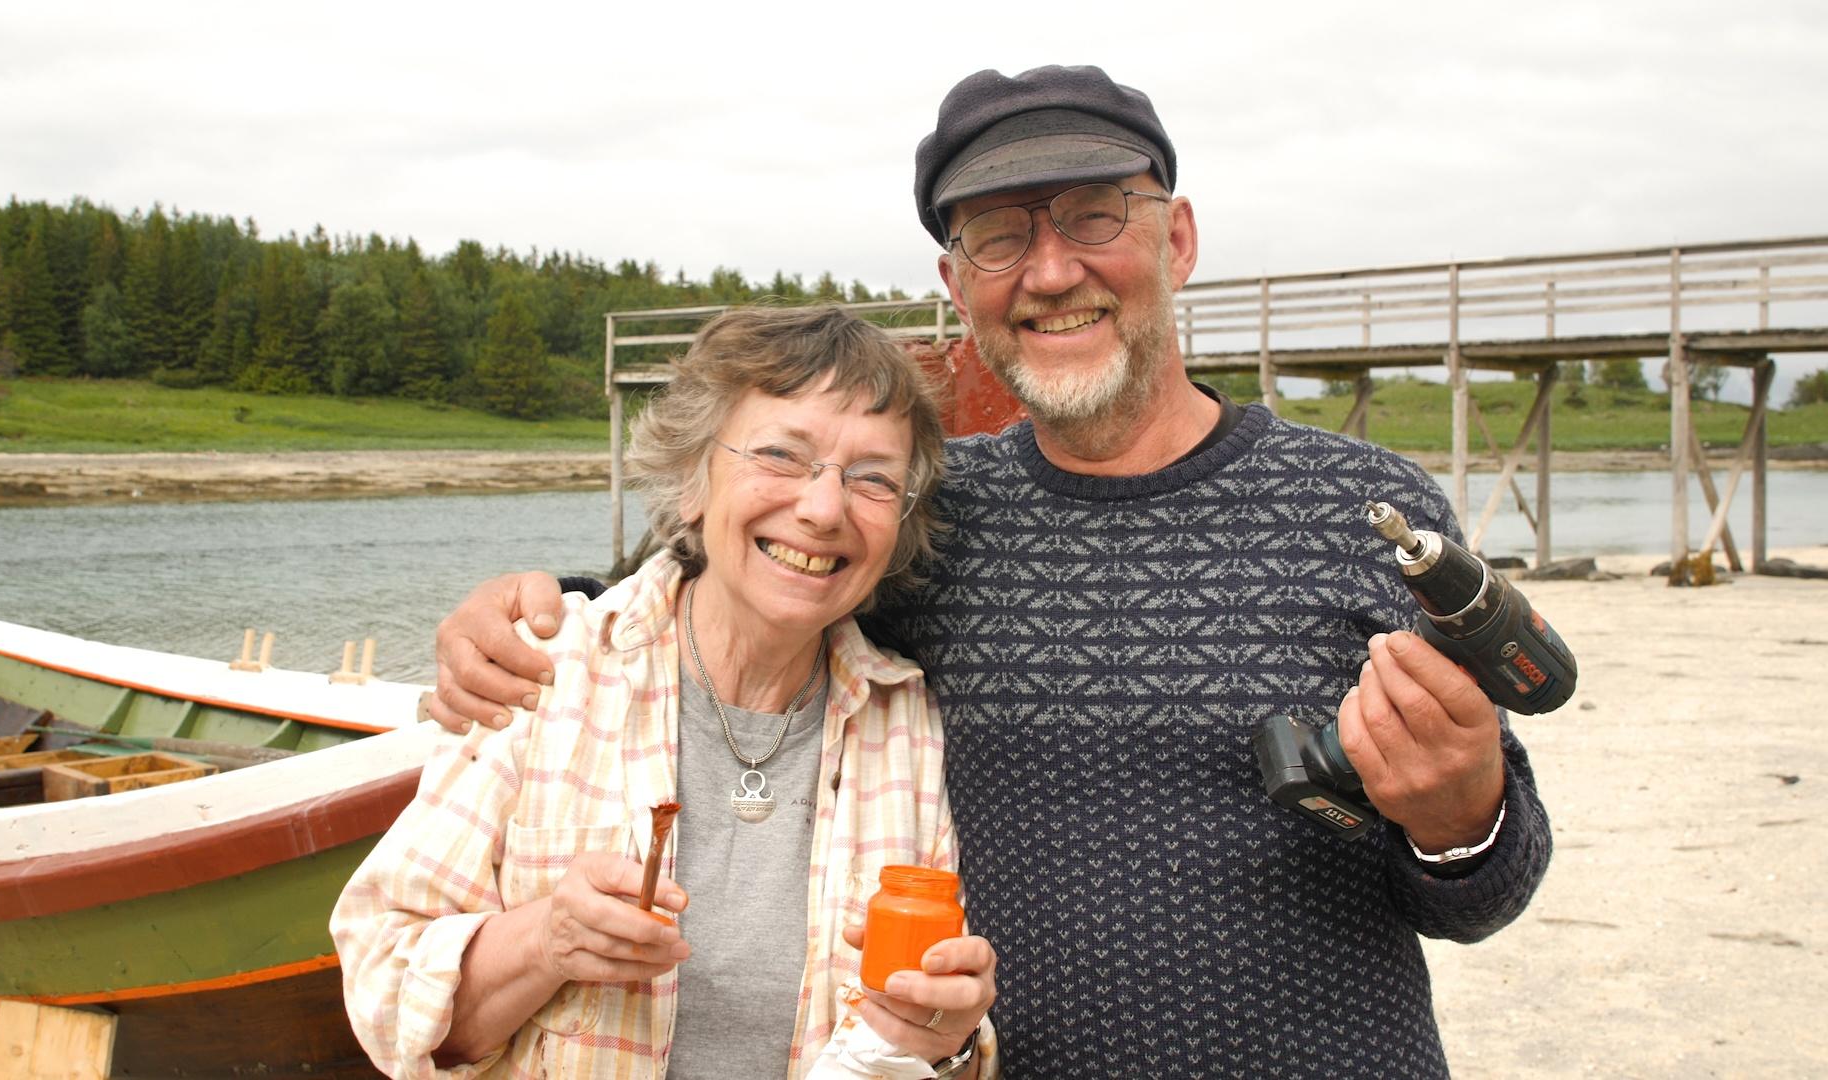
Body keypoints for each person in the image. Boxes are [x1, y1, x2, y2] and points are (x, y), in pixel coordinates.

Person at [428, 66, 1551, 1077]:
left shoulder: (1361, 509)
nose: (1052, 271)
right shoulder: (920, 514)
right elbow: (722, 576)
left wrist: (1459, 816)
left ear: (1181, 238)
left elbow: (1485, 892)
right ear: (956, 284)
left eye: (1095, 216)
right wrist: (525, 609)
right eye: (1000, 237)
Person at [333, 305, 998, 1078]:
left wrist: (944, 1045)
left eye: (872, 478)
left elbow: (941, 1050)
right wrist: (546, 940)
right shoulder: (547, 670)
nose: (823, 509)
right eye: (781, 456)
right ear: (693, 482)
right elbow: (382, 992)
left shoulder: (913, 723)